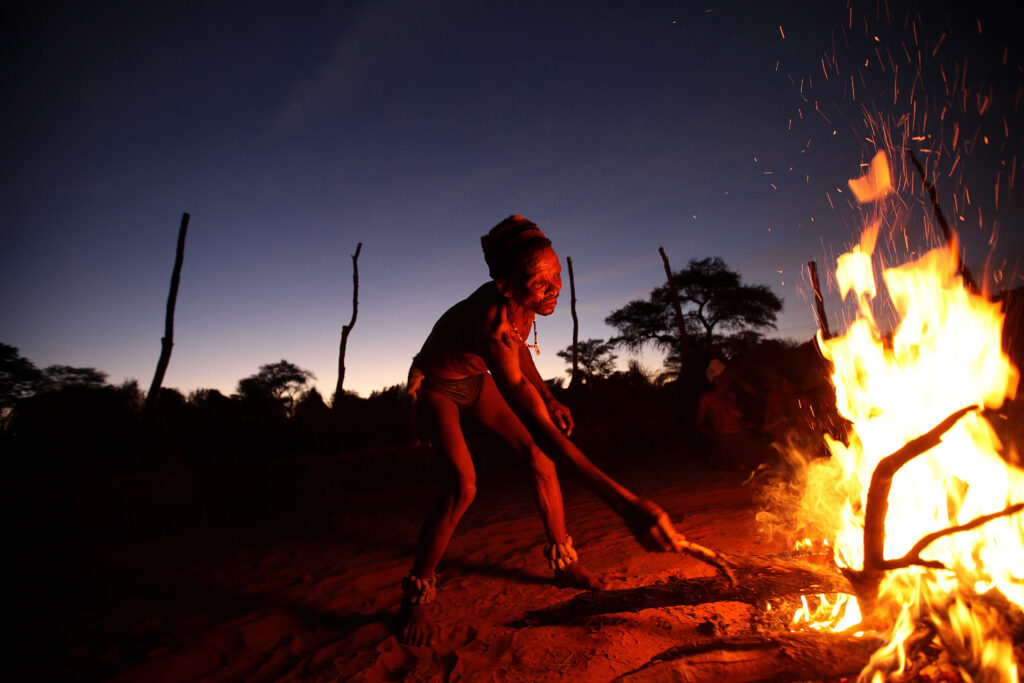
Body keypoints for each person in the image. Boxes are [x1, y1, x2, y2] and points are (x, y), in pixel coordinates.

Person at [401, 215, 686, 646]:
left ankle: (563, 562)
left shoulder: (522, 307)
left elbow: (521, 358)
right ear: (507, 287)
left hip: (475, 381)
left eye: (556, 276)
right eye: (541, 283)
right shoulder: (492, 323)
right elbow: (518, 390)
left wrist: (549, 397)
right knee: (463, 486)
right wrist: (624, 503)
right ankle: (417, 594)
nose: (554, 288)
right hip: (439, 387)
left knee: (539, 460)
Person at [696, 359, 766, 472]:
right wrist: (718, 439)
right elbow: (699, 425)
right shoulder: (707, 398)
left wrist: (752, 426)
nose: (730, 379)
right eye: (727, 376)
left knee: (763, 462)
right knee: (737, 467)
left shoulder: (731, 396)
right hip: (725, 440)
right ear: (717, 378)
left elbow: (734, 421)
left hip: (741, 436)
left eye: (730, 376)